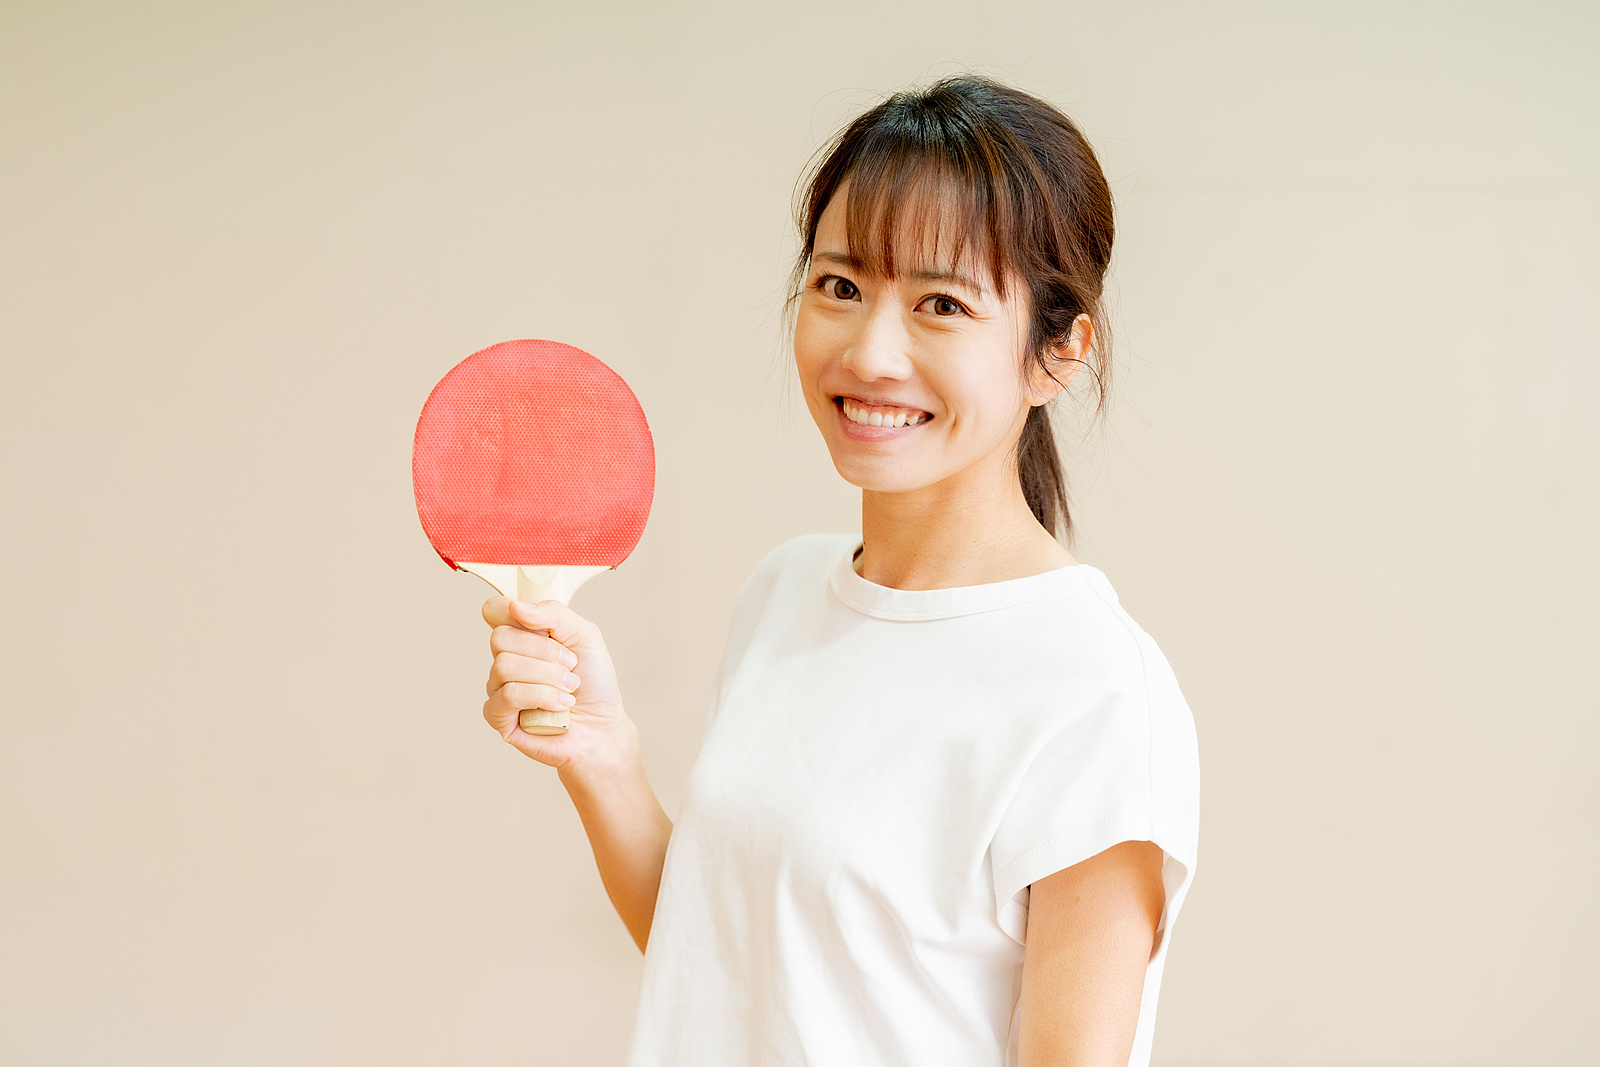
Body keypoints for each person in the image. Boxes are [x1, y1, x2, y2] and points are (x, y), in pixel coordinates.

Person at [479, 75, 1200, 1067]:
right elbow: (733, 975)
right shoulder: (786, 591)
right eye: (840, 286)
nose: (870, 351)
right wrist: (601, 756)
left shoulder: (1094, 690)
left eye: (941, 303)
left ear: (1056, 353)